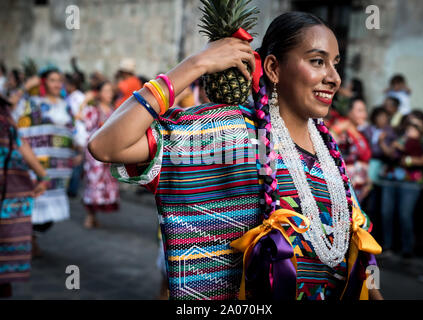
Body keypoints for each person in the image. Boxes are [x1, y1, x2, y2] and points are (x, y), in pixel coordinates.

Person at [88, 12, 382, 300]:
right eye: (318, 61)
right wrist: (196, 64)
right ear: (273, 68)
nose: (333, 78)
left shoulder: (329, 152)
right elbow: (108, 145)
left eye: (335, 64)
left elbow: (359, 254)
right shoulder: (230, 133)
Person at [12, 66, 84, 256]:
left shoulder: (65, 105)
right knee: (34, 203)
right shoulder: (32, 103)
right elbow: (12, 116)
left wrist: (78, 149)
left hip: (58, 169)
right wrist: (26, 87)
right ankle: (29, 241)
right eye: (52, 80)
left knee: (48, 215)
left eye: (59, 80)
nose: (56, 84)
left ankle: (32, 238)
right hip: (34, 165)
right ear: (43, 82)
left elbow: (74, 130)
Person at [0, 94, 48, 297]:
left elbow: (19, 142)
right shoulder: (5, 117)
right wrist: (42, 176)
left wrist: (43, 176)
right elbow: (20, 143)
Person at [378, 110, 423, 259]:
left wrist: (409, 160)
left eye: (415, 124)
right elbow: (391, 153)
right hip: (392, 177)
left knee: (404, 215)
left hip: (411, 181)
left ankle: (406, 248)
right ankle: (388, 246)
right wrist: (382, 143)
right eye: (409, 123)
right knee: (386, 213)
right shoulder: (399, 136)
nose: (411, 126)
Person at [76, 82, 120, 229]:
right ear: (99, 93)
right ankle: (90, 215)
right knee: (93, 182)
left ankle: (94, 216)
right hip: (95, 152)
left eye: (111, 91)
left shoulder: (113, 110)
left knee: (106, 183)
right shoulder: (93, 109)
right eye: (106, 91)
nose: (109, 94)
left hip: (110, 152)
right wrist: (84, 101)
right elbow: (80, 119)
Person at [331, 98, 372, 202]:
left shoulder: (360, 134)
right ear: (349, 112)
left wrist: (367, 182)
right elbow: (328, 142)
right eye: (360, 111)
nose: (364, 115)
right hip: (345, 189)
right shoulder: (343, 131)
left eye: (364, 111)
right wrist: (340, 127)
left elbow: (363, 160)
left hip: (360, 190)